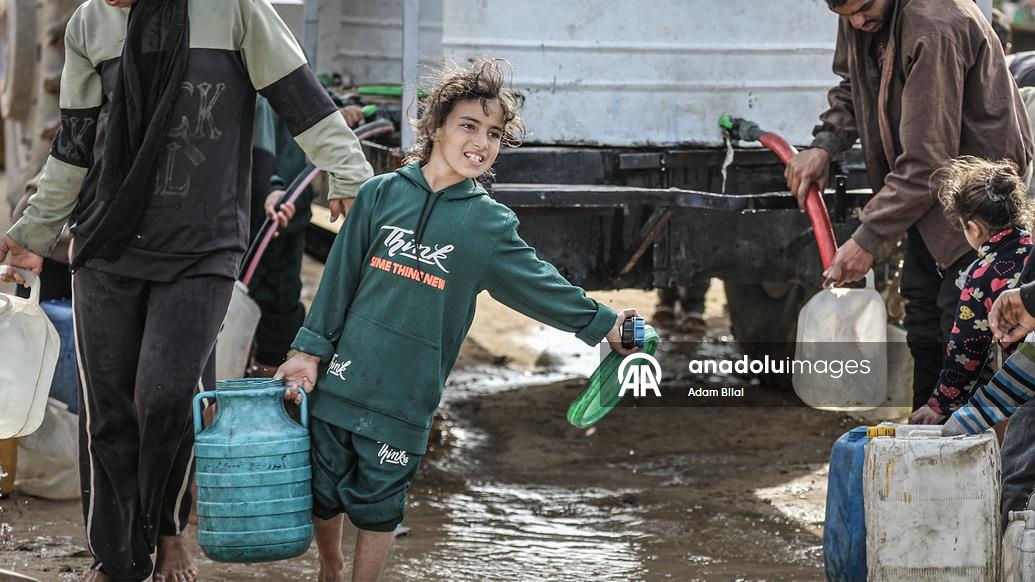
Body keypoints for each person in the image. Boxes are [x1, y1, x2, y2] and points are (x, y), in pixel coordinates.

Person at [0, 0, 373, 580]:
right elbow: (74, 144)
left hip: (203, 245)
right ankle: (118, 559)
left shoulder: (234, 9)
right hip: (105, 244)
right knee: (109, 416)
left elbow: (300, 100)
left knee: (166, 398)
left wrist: (351, 175)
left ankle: (167, 527)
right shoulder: (89, 23)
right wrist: (34, 233)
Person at [274, 57, 641, 582]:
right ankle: (330, 566)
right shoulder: (380, 195)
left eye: (493, 134)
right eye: (469, 125)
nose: (481, 142)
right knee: (323, 490)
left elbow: (540, 285)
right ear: (436, 127)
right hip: (342, 379)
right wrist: (307, 351)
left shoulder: (488, 223)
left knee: (379, 505)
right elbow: (338, 280)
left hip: (406, 398)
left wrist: (605, 323)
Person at [785, 0, 1033, 413]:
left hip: (977, 205)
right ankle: (928, 439)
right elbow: (854, 86)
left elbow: (927, 162)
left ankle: (972, 445)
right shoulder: (860, 17)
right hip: (927, 199)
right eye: (845, 16)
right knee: (924, 327)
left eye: (865, 8)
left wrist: (867, 239)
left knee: (967, 341)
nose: (857, 22)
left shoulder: (934, 26)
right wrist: (824, 146)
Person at [907, 157, 1032, 425]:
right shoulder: (1031, 250)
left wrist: (940, 404)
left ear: (973, 228)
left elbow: (967, 349)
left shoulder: (981, 275)